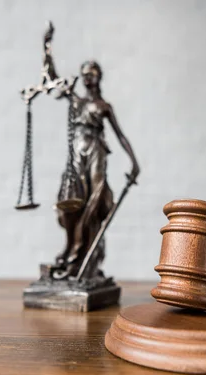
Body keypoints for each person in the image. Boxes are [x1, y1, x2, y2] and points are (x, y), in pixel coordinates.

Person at [42, 24, 140, 279]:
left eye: (92, 73)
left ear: (99, 77)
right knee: (72, 201)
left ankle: (83, 253)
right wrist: (47, 46)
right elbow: (52, 78)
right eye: (84, 73)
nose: (87, 77)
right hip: (77, 151)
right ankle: (71, 249)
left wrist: (134, 161)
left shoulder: (103, 106)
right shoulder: (76, 100)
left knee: (95, 198)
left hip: (96, 150)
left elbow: (120, 135)